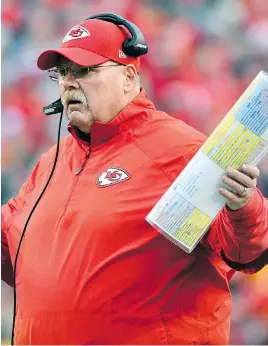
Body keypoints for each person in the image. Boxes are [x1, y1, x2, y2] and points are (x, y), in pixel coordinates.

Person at [1, 14, 268, 345]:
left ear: (129, 76)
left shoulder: (178, 149)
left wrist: (243, 206)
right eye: (64, 73)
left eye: (84, 71)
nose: (69, 82)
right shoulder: (50, 163)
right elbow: (11, 242)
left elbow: (243, 251)